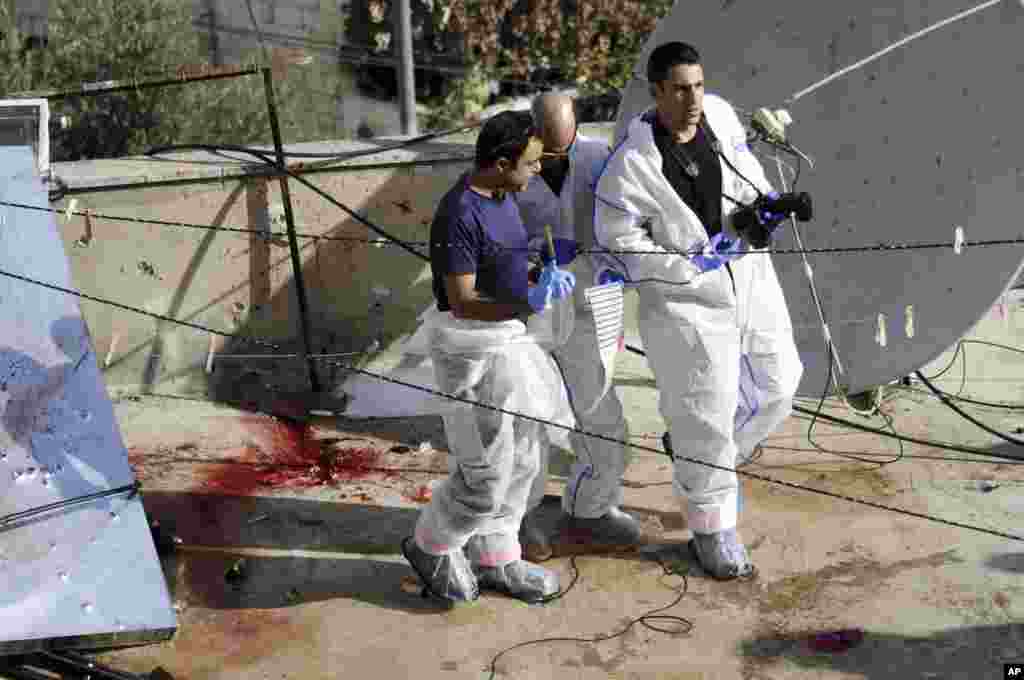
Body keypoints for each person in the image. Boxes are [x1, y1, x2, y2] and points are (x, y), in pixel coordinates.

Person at [593, 42, 804, 580]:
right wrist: (688, 265)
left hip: (751, 280)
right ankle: (712, 529)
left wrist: (765, 209)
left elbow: (747, 173)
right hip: (687, 307)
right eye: (681, 90)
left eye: (700, 86)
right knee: (705, 417)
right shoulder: (631, 167)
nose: (694, 100)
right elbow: (619, 242)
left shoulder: (722, 117)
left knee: (780, 384)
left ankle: (699, 455)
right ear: (657, 92)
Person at [401, 110, 577, 604]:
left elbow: (501, 265)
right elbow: (462, 301)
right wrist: (529, 301)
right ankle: (431, 545)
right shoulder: (458, 213)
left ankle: (496, 554)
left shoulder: (503, 198)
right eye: (531, 162)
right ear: (501, 164)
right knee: (486, 470)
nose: (538, 170)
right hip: (471, 351)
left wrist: (537, 272)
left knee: (524, 456)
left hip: (506, 340)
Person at [513, 92, 642, 561]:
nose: (554, 159)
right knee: (526, 414)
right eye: (546, 151)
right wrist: (534, 259)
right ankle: (517, 520)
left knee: (600, 410)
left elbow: (626, 220)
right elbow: (495, 236)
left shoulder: (599, 157)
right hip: (536, 300)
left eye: (562, 148)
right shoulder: (512, 165)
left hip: (595, 293)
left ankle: (592, 507)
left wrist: (609, 264)